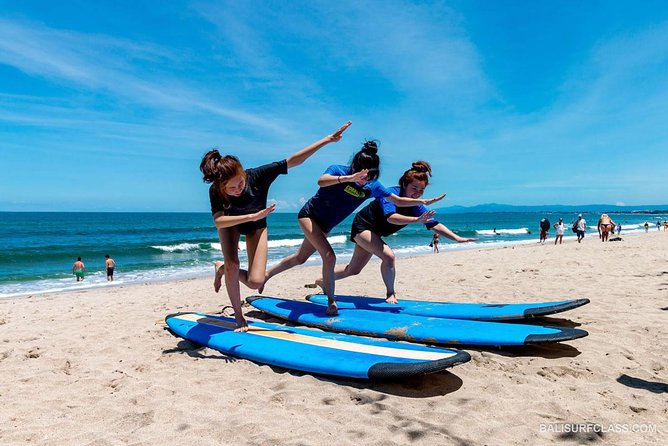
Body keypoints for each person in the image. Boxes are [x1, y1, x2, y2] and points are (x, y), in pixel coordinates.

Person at [260, 141, 446, 315]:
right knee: (329, 255)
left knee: (301, 258)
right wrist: (348, 178)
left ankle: (267, 274)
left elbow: (396, 199)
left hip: (325, 225)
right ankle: (331, 301)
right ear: (355, 167)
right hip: (308, 216)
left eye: (369, 177)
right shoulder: (337, 170)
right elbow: (321, 181)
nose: (364, 180)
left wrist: (423, 200)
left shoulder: (373, 186)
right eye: (361, 175)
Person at [200, 121, 352, 331]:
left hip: (257, 226)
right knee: (233, 265)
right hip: (231, 225)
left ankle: (221, 268)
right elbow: (219, 221)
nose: (236, 190)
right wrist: (251, 215)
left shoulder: (258, 176)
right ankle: (238, 316)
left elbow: (294, 160)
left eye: (240, 184)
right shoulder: (215, 190)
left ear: (244, 173)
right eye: (230, 189)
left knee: (255, 282)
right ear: (221, 186)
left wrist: (327, 140)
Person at [313, 161, 476, 303]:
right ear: (404, 184)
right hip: (363, 227)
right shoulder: (391, 194)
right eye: (414, 188)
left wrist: (457, 238)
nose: (418, 193)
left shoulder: (415, 205)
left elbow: (433, 224)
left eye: (421, 190)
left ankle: (323, 280)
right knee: (389, 256)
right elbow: (392, 217)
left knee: (353, 270)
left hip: (374, 233)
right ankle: (390, 293)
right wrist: (416, 220)